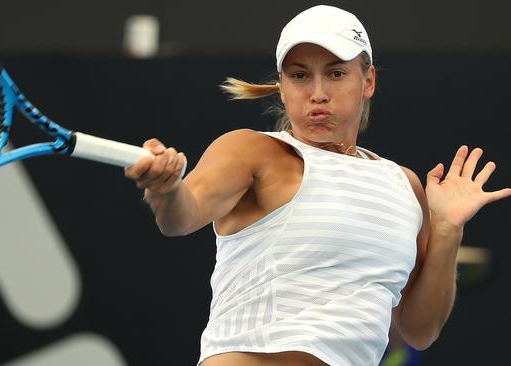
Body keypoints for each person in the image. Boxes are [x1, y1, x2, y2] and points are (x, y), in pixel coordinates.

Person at [124, 5, 511, 366]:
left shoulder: (403, 184)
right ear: (282, 85)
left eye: (336, 72)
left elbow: (419, 330)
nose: (317, 92)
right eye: (299, 75)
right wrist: (166, 189)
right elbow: (180, 217)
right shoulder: (251, 150)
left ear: (368, 80)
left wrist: (447, 230)